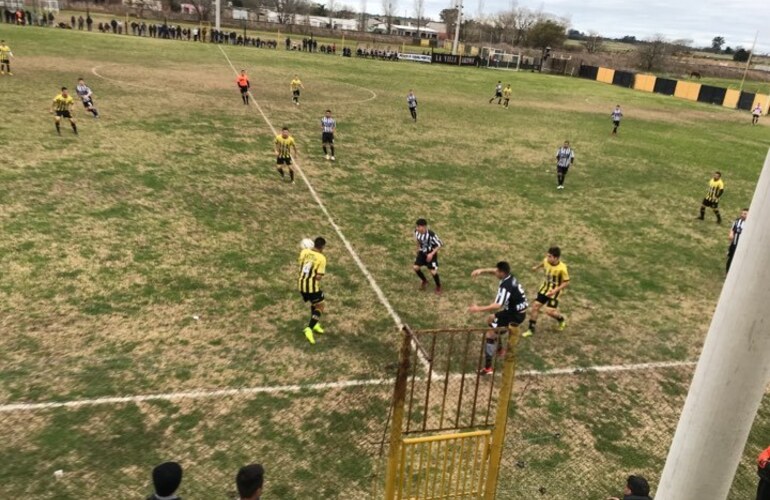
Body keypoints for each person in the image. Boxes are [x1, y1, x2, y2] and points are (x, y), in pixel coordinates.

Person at [469, 262, 528, 375]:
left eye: (497, 271)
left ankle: (488, 368)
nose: (495, 272)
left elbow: (497, 305)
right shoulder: (510, 277)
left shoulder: (505, 286)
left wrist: (478, 308)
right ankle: (500, 349)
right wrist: (482, 270)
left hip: (514, 315)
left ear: (502, 272)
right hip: (516, 311)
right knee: (491, 319)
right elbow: (494, 270)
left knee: (490, 334)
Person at [522, 247, 569, 338]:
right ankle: (531, 329)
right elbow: (543, 263)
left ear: (556, 258)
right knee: (535, 307)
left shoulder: (562, 268)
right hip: (544, 289)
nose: (547, 258)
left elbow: (566, 282)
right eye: (547, 255)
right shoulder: (546, 261)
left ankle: (561, 319)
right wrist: (536, 267)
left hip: (555, 292)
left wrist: (555, 291)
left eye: (550, 256)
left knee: (549, 311)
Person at [298, 237, 327, 344]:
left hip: (301, 285)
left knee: (315, 304)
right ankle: (309, 328)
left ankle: (315, 324)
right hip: (311, 288)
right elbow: (318, 277)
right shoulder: (322, 258)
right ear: (323, 247)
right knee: (321, 305)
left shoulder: (304, 252)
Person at [413, 218, 443, 294]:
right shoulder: (416, 232)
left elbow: (440, 244)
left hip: (431, 253)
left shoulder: (431, 235)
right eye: (417, 226)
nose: (417, 228)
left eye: (419, 226)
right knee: (415, 267)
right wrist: (417, 249)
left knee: (433, 272)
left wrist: (431, 254)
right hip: (422, 252)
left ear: (424, 227)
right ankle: (424, 280)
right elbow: (418, 240)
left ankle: (438, 286)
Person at [726, 207, 748, 274]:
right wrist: (731, 233)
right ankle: (728, 272)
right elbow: (733, 229)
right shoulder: (737, 221)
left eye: (745, 214)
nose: (743, 215)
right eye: (742, 213)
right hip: (734, 244)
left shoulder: (749, 224)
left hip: (742, 246)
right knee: (730, 258)